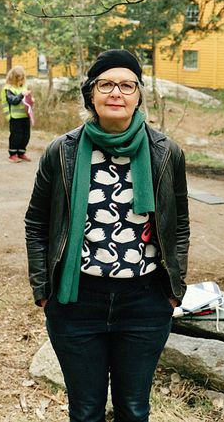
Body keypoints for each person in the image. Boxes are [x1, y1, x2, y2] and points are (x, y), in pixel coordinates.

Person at [25, 49, 190, 422]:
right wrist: (42, 290)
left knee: (134, 409)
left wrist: (173, 289)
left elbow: (178, 225)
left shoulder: (166, 153)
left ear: (139, 95)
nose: (117, 93)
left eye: (127, 85)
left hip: (145, 303)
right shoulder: (61, 152)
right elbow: (36, 223)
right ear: (91, 94)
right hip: (76, 302)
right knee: (85, 412)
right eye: (107, 84)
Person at [0, 65, 32, 163]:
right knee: (16, 136)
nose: (20, 80)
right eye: (18, 78)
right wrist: (22, 95)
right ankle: (13, 154)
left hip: (25, 116)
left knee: (26, 135)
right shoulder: (8, 89)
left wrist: (31, 100)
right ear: (13, 77)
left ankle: (21, 152)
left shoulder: (24, 87)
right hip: (14, 117)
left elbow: (27, 101)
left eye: (22, 78)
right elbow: (13, 101)